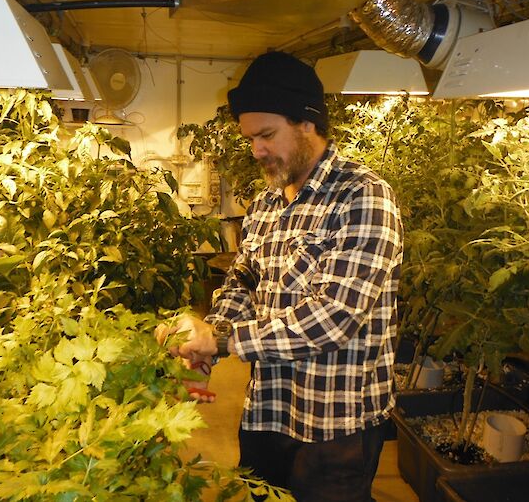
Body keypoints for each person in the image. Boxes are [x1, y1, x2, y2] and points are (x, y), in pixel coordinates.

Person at [166, 51, 403, 502]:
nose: (256, 150)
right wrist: (205, 343)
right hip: (269, 409)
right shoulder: (266, 203)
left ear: (308, 123)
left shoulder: (363, 197)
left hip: (335, 426)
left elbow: (334, 317)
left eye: (266, 135)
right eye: (250, 138)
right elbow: (243, 283)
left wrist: (223, 341)